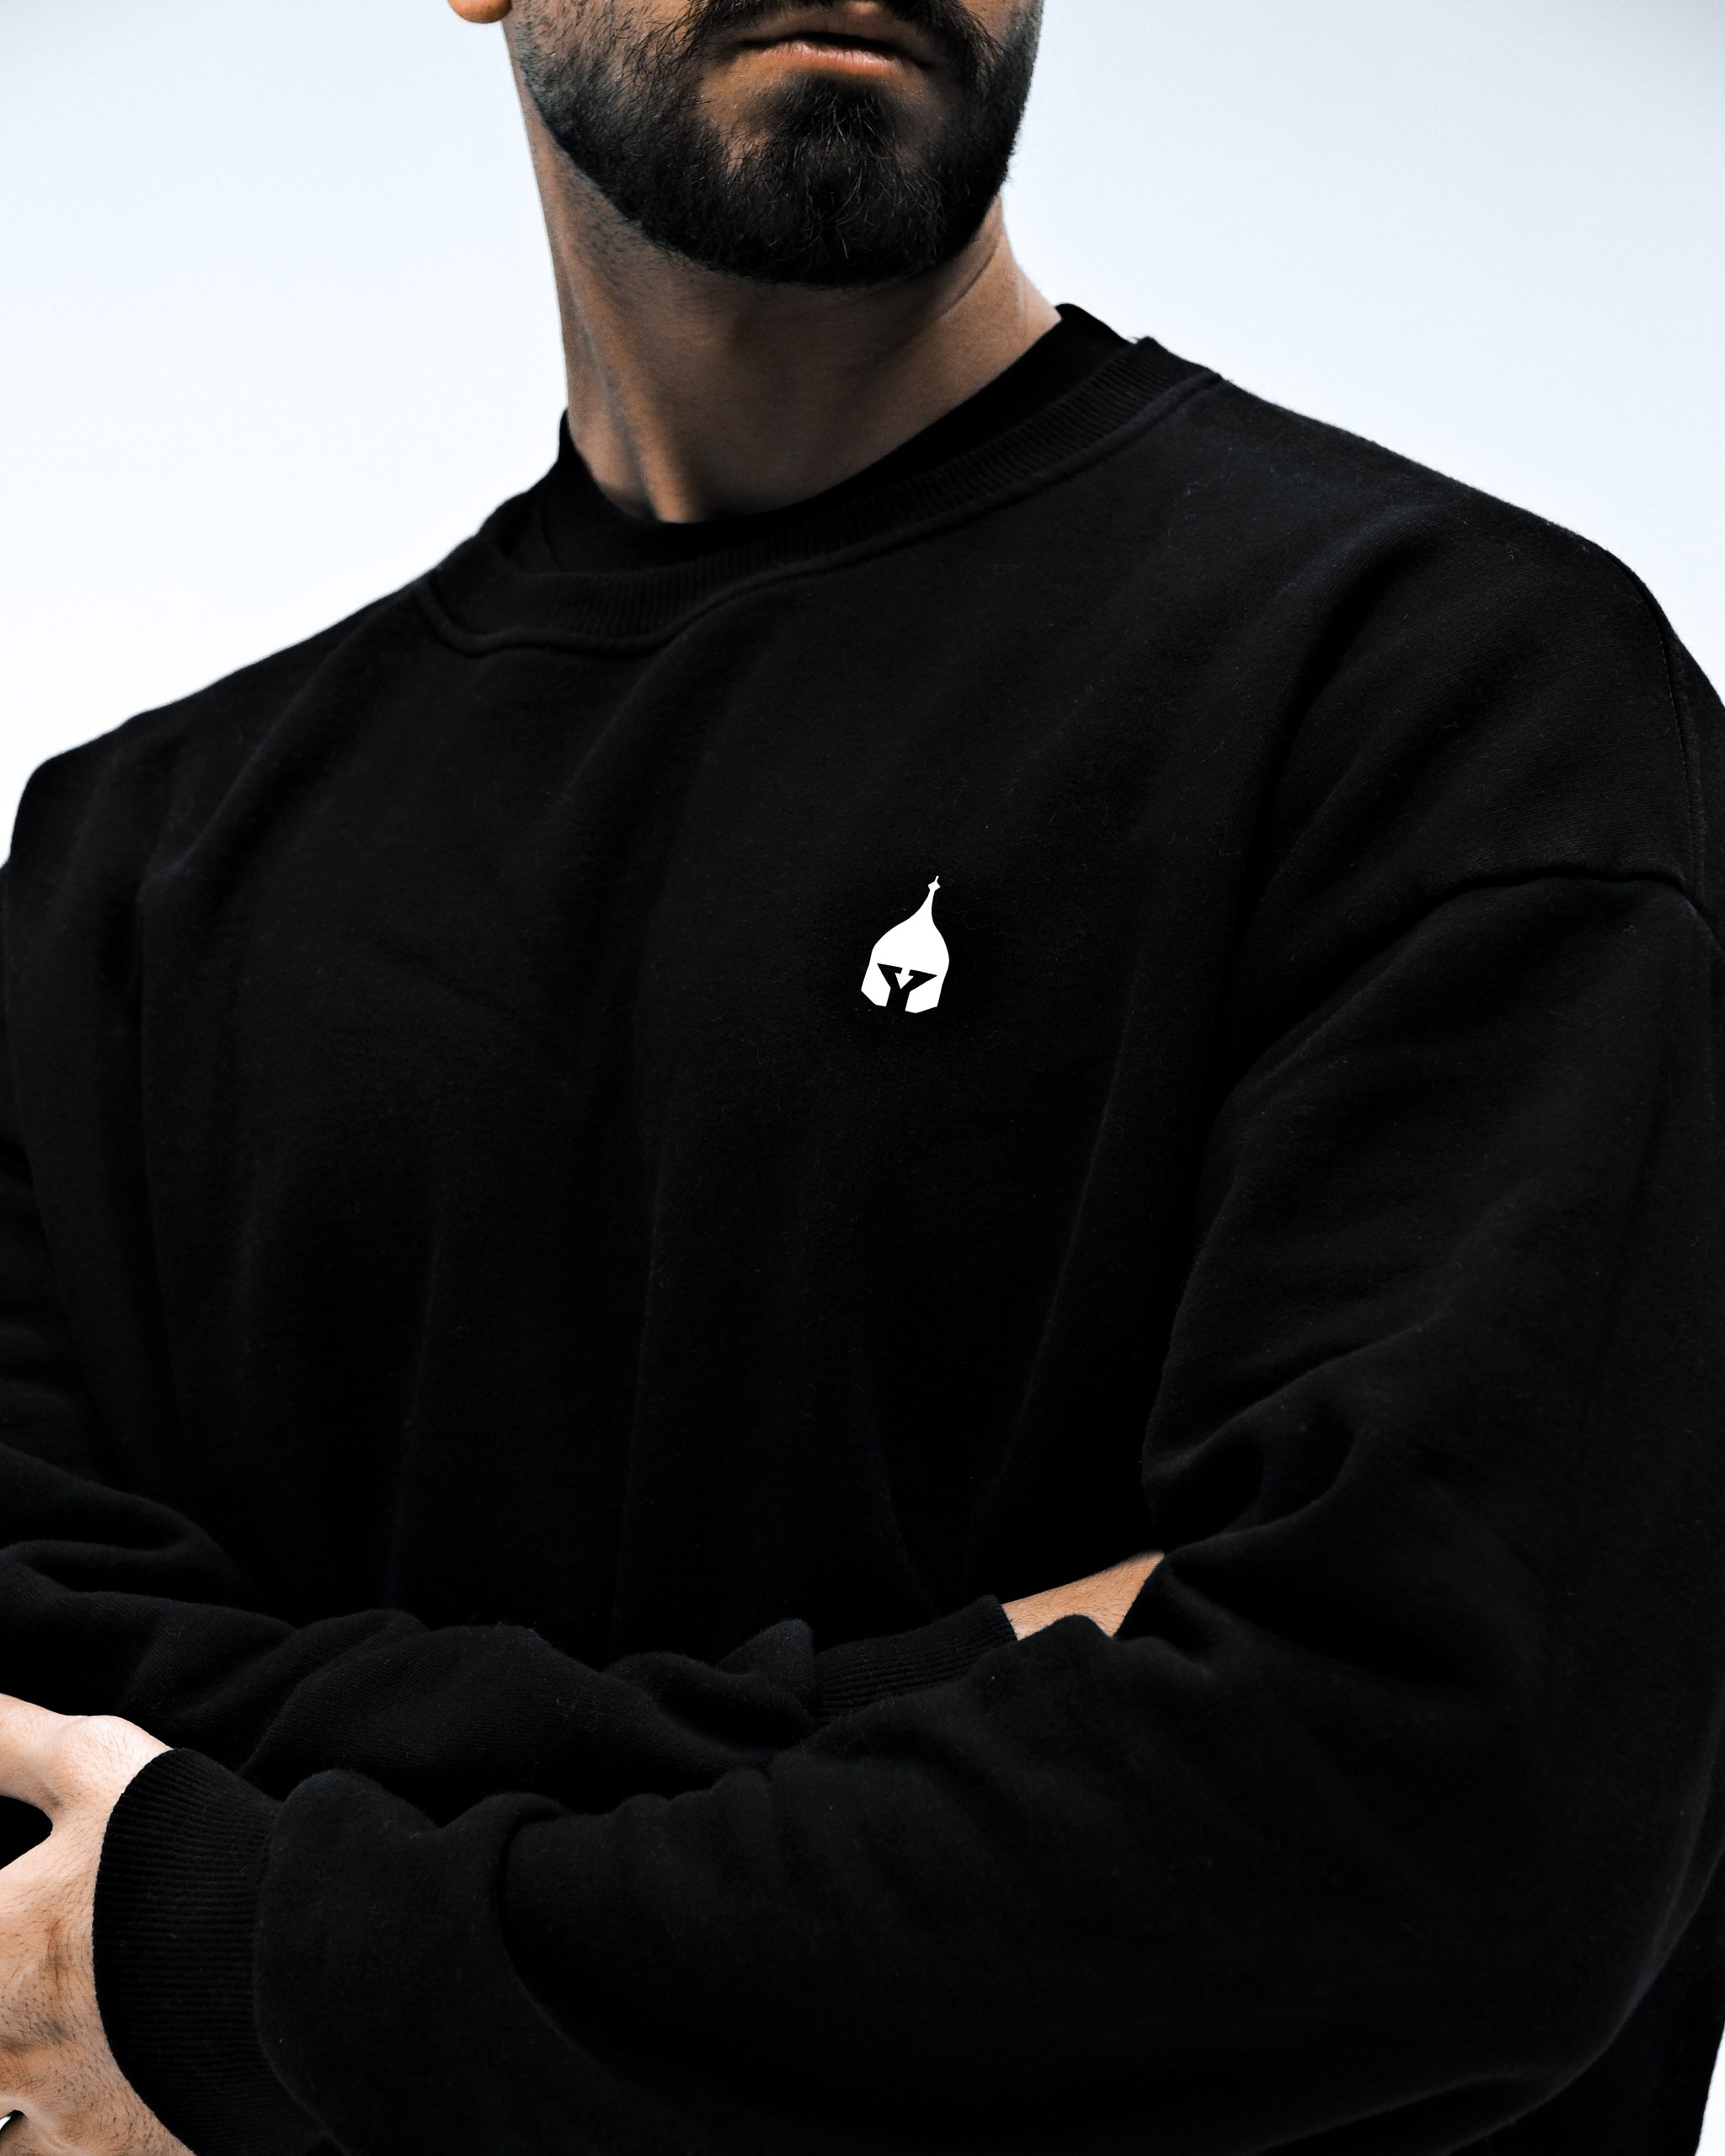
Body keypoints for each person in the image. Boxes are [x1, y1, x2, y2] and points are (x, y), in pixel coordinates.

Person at [0, 0, 1721, 2148]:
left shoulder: (1451, 706)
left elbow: (1434, 1816)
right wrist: (1034, 1658)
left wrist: (264, 1942)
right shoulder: (124, 881)